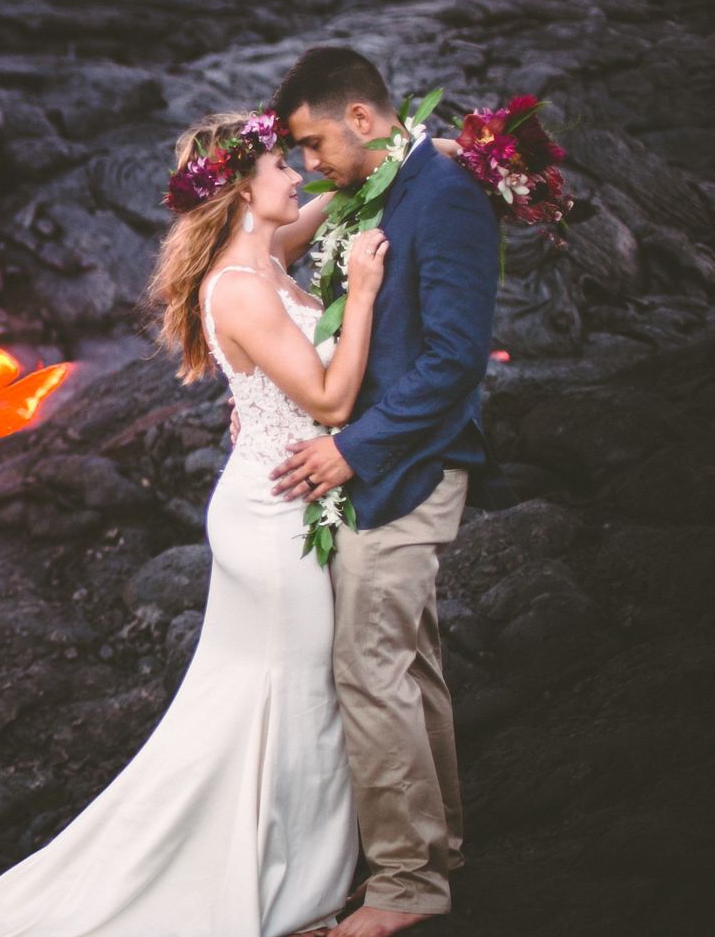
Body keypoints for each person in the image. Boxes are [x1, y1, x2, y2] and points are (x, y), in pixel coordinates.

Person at [0, 107, 388, 936]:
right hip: (274, 519)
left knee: (255, 700)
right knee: (298, 692)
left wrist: (410, 155)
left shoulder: (264, 257)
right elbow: (333, 397)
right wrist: (369, 292)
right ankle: (291, 887)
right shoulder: (239, 288)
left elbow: (343, 200)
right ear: (243, 190)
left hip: (276, 494)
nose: (297, 173)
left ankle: (265, 862)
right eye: (281, 164)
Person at [266, 46, 510, 937]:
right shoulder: (396, 183)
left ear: (361, 120)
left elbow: (453, 360)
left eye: (312, 145)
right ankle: (436, 847)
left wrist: (351, 450)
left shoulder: (443, 201)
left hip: (407, 468)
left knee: (367, 668)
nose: (307, 166)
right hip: (393, 463)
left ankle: (405, 886)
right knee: (407, 662)